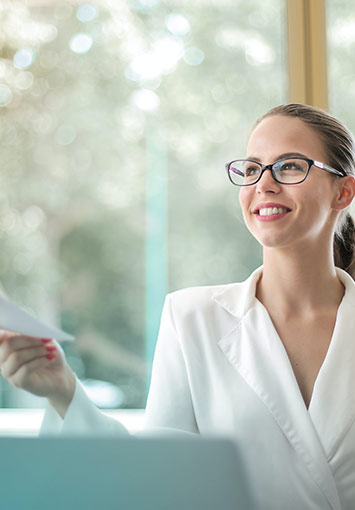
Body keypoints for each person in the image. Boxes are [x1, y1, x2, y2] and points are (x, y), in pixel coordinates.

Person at [1, 103, 355, 509]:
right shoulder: (192, 318)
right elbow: (155, 480)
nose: (265, 184)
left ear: (342, 191)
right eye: (252, 168)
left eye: (290, 166)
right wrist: (64, 392)